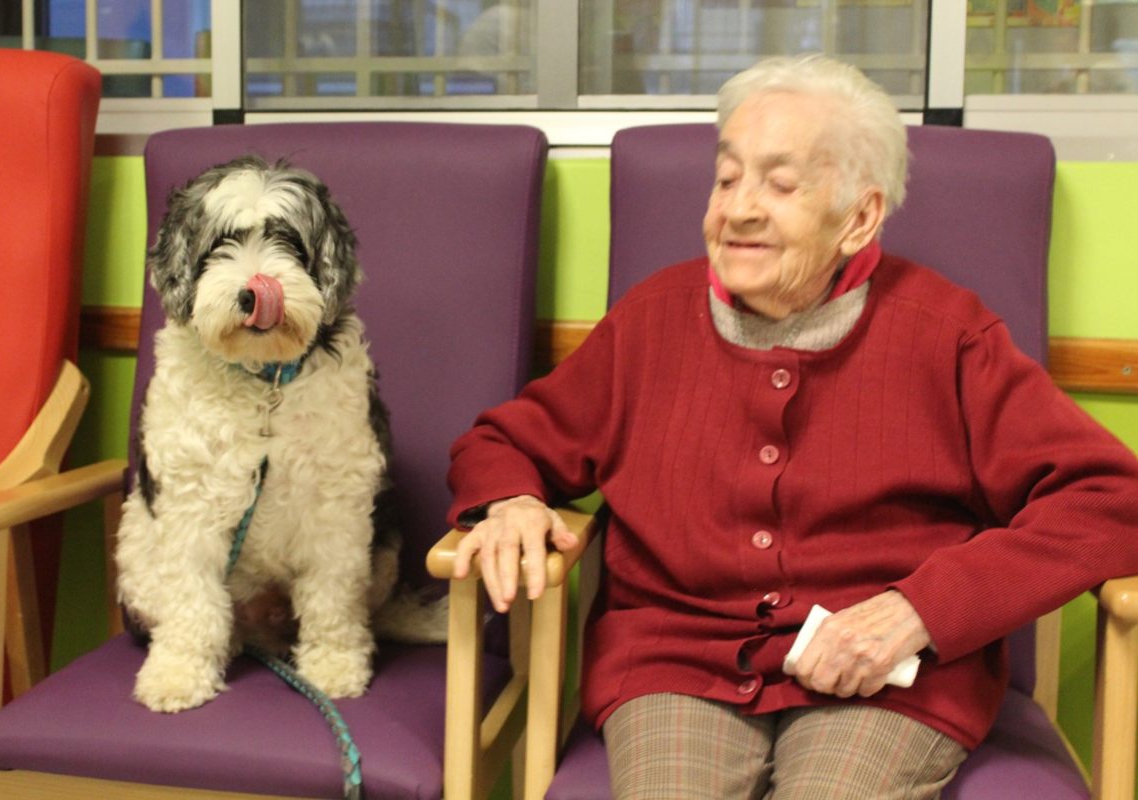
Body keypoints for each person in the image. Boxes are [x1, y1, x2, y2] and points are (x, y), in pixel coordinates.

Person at [445, 54, 1138, 799]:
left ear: (860, 216)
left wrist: (919, 610)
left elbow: (1106, 498)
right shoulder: (649, 322)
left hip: (886, 675)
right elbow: (505, 442)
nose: (738, 208)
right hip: (676, 665)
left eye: (779, 185)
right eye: (726, 177)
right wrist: (511, 501)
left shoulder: (948, 336)